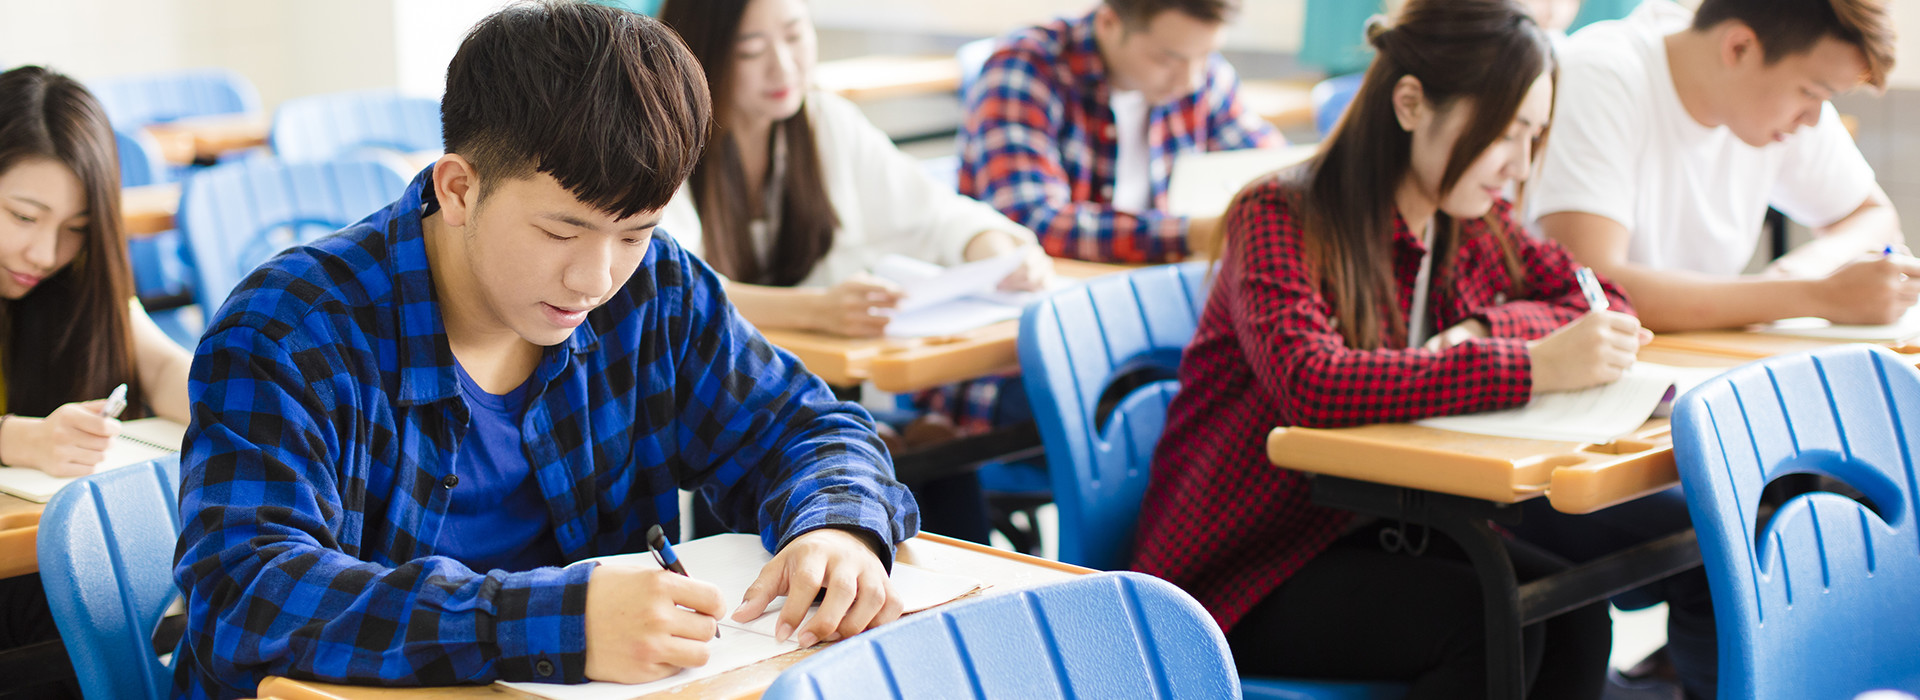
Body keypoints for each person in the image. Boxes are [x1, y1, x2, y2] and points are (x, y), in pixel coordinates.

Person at [170, 4, 918, 697]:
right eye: (561, 232)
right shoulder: (291, 329)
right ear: (459, 189)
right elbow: (244, 590)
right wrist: (557, 622)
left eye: (634, 232)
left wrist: (838, 526)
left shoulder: (653, 289)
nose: (595, 279)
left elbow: (806, 429)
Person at [1130, 1, 1692, 696]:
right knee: (1486, 624)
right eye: (1504, 134)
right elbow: (1314, 383)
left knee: (1572, 611)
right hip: (1242, 568)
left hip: (1376, 524)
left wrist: (1489, 330)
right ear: (1410, 103)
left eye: (1533, 137)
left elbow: (1599, 299)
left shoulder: (1472, 217)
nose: (1517, 166)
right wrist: (1527, 365)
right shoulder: (1281, 214)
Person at [656, 0, 1053, 545]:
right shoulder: (666, 139)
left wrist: (996, 247)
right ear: (698, 51)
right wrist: (817, 310)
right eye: (751, 49)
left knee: (937, 464)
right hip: (731, 411)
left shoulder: (825, 123)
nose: (783, 66)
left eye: (796, 36)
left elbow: (936, 214)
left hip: (832, 402)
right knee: (893, 464)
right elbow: (667, 283)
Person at [1531, 0, 1911, 332]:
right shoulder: (1604, 73)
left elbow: (1874, 217)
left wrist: (1795, 275)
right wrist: (1817, 296)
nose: (1813, 118)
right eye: (1811, 93)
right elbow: (1589, 283)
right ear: (1739, 47)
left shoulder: (1781, 105)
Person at [0, 64, 194, 699]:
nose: (44, 253)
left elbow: (162, 365)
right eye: (22, 216)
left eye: (76, 229)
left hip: (53, 594)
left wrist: (237, 405)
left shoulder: (73, 281)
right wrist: (18, 440)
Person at [958, 0, 1284, 264]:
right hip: (1048, 297)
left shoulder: (1202, 74)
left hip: (1149, 280)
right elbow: (1028, 220)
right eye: (1166, 59)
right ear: (1109, 24)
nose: (1191, 81)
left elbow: (1271, 169)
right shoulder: (1026, 67)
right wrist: (1192, 234)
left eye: (1206, 54)